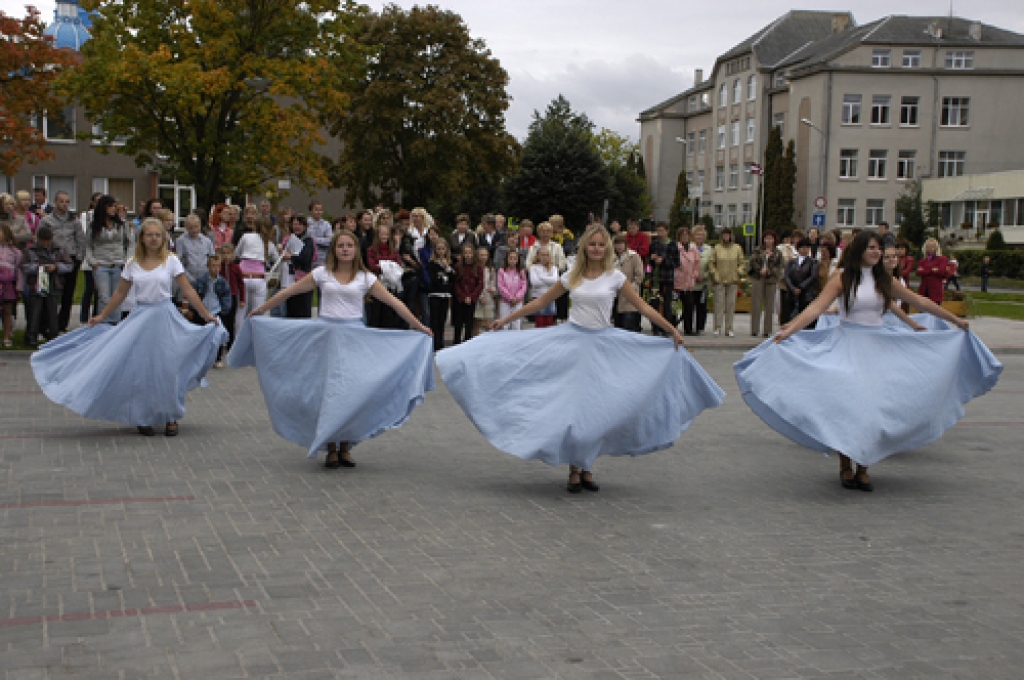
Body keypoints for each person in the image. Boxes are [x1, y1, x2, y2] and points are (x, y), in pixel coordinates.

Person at [436, 224, 725, 494]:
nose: (597, 249)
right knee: (574, 410)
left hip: (603, 348)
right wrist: (507, 319)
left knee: (596, 410)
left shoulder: (615, 277)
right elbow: (541, 301)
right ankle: (575, 469)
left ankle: (587, 467)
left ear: (606, 248)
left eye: (601, 244)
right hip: (571, 345)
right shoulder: (572, 275)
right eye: (592, 244)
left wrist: (671, 329)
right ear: (586, 247)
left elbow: (642, 307)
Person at [736, 231, 999, 492]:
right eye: (872, 248)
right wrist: (791, 329)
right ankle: (845, 465)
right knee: (851, 406)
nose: (877, 252)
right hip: (847, 345)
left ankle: (863, 466)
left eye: (879, 249)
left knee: (872, 408)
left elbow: (919, 300)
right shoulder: (843, 278)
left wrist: (955, 320)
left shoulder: (884, 279)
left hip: (877, 347)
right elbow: (816, 307)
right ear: (860, 250)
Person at [232, 229, 433, 468]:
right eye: (340, 246)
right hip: (325, 339)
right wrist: (262, 309)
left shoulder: (365, 278)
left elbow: (395, 303)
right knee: (327, 391)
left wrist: (419, 326)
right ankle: (330, 447)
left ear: (356, 250)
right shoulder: (321, 274)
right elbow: (289, 291)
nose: (345, 249)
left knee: (350, 393)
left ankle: (345, 446)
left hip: (354, 340)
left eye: (349, 245)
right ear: (334, 250)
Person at [32, 218, 226, 437]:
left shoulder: (171, 260)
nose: (154, 239)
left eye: (158, 235)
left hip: (165, 317)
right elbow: (120, 293)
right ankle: (144, 416)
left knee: (167, 368)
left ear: (163, 238)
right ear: (142, 238)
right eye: (149, 235)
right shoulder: (133, 263)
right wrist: (103, 315)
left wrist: (206, 315)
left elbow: (188, 290)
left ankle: (171, 415)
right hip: (141, 318)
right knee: (142, 370)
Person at [40, 191, 85, 334]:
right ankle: (46, 324)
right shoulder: (47, 221)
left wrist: (78, 258)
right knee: (49, 293)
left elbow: (80, 240)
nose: (64, 204)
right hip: (52, 258)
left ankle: (62, 324)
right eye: (61, 201)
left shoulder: (74, 221)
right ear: (55, 202)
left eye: (67, 202)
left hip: (70, 259)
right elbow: (40, 239)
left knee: (68, 294)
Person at [85, 195, 133, 324]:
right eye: (110, 206)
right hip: (101, 264)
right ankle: (103, 323)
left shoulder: (122, 224)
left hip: (118, 264)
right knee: (103, 296)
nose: (113, 209)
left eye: (114, 206)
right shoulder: (93, 226)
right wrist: (93, 262)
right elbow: (88, 246)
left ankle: (115, 324)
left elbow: (130, 243)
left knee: (117, 296)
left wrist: (127, 260)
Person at [21, 225, 73, 347]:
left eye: (48, 241)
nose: (45, 244)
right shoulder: (30, 250)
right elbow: (24, 266)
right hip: (36, 284)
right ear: (38, 239)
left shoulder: (60, 250)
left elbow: (69, 266)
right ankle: (31, 336)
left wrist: (56, 267)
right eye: (43, 241)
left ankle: (53, 335)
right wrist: (38, 268)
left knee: (52, 311)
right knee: (35, 311)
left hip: (54, 283)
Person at [234, 215, 279, 324]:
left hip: (243, 277)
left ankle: (238, 334)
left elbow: (237, 254)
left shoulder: (246, 236)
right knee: (258, 312)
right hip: (259, 278)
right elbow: (277, 260)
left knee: (241, 311)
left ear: (254, 225)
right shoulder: (269, 244)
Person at [747, 230, 783, 337]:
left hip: (771, 280)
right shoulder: (758, 250)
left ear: (774, 240)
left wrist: (769, 271)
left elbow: (779, 267)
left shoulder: (778, 252)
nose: (768, 241)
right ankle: (754, 329)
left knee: (769, 305)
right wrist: (760, 269)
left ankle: (767, 329)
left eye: (771, 239)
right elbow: (752, 262)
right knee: (756, 304)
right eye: (767, 238)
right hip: (758, 278)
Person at [709, 228, 744, 337]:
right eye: (724, 235)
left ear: (731, 236)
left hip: (732, 281)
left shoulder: (737, 248)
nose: (726, 237)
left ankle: (729, 328)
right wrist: (714, 274)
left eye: (728, 235)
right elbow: (711, 262)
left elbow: (742, 263)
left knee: (731, 305)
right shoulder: (717, 248)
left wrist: (738, 272)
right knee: (719, 304)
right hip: (719, 280)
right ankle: (717, 327)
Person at [647, 222, 680, 335]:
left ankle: (667, 328)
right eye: (658, 231)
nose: (659, 233)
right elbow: (649, 263)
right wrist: (651, 259)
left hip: (667, 279)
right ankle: (656, 327)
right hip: (655, 279)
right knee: (654, 304)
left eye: (661, 231)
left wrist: (664, 261)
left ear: (667, 231)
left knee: (666, 305)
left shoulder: (672, 244)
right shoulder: (654, 244)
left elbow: (676, 263)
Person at [282, 214, 315, 318]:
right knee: (291, 309)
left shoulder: (308, 240)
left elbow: (306, 258)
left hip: (303, 279)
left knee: (303, 309)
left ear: (304, 226)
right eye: (294, 224)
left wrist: (291, 257)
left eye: (299, 224)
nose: (297, 227)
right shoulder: (290, 240)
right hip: (290, 279)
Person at [78, 193, 103, 324]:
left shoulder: (107, 217)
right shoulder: (86, 216)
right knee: (89, 289)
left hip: (102, 259)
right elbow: (84, 234)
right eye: (97, 201)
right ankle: (84, 317)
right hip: (89, 258)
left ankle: (96, 316)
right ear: (93, 203)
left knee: (100, 291)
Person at [452, 243, 483, 344]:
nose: (468, 255)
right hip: (460, 300)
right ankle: (456, 343)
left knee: (469, 324)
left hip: (471, 300)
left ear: (473, 254)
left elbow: (480, 284)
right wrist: (463, 296)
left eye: (470, 253)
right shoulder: (458, 267)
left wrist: (472, 297)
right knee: (458, 323)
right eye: (466, 253)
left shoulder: (478, 268)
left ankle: (467, 343)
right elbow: (456, 284)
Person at [612, 234, 644, 332]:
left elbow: (639, 274)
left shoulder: (633, 256)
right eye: (616, 244)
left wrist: (632, 287)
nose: (619, 246)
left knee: (629, 323)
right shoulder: (611, 258)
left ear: (625, 245)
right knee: (618, 324)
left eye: (621, 244)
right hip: (616, 295)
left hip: (630, 294)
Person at [784, 238, 819, 328]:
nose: (804, 250)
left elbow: (813, 276)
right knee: (790, 317)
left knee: (805, 318)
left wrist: (801, 287)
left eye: (807, 248)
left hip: (806, 294)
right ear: (798, 249)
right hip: (792, 294)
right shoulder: (791, 262)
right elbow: (787, 276)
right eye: (802, 248)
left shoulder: (813, 262)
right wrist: (792, 288)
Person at [426, 240, 454, 350]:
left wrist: (447, 267)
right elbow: (434, 280)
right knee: (434, 321)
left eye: (443, 249)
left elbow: (453, 278)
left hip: (445, 295)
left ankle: (440, 344)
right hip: (435, 294)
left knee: (442, 320)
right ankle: (434, 344)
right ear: (435, 250)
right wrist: (443, 279)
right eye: (439, 249)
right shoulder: (432, 264)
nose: (441, 251)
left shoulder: (450, 263)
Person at [176, 213, 216, 285]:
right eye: (190, 228)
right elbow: (178, 262)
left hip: (205, 278)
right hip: (188, 279)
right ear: (186, 228)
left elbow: (212, 259)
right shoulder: (180, 241)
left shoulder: (207, 241)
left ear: (200, 225)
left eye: (196, 226)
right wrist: (189, 279)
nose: (194, 230)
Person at [0, 223, 22, 347]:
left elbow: (19, 269)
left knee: (8, 311)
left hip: (8, 285)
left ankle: (7, 336)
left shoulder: (15, 251)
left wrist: (19, 286)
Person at [496, 248, 527, 330]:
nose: (512, 260)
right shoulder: (502, 271)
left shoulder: (521, 271)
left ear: (518, 260)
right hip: (505, 302)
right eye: (510, 258)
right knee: (504, 324)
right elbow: (501, 286)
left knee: (516, 324)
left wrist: (517, 297)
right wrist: (510, 298)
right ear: (507, 259)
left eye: (515, 258)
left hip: (517, 302)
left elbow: (523, 286)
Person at [528, 247, 558, 329]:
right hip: (538, 298)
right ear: (538, 256)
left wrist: (541, 277)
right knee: (540, 322)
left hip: (550, 298)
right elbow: (535, 282)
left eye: (547, 255)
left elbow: (555, 280)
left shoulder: (553, 268)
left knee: (549, 323)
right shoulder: (533, 268)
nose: (545, 257)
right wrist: (548, 280)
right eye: (543, 255)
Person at [472, 247, 496, 336]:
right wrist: (480, 297)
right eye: (481, 255)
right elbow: (475, 285)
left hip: (488, 298)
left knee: (488, 323)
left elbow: (492, 283)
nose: (484, 257)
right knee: (477, 323)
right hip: (478, 298)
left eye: (485, 255)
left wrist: (492, 289)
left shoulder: (490, 269)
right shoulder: (475, 269)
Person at [916, 238, 948, 305]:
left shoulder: (942, 259)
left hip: (935, 290)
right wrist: (932, 269)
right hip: (924, 289)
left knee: (935, 309)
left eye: (932, 246)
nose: (930, 248)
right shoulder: (923, 260)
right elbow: (918, 272)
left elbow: (941, 271)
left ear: (936, 248)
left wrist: (925, 269)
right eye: (928, 246)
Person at [692, 226, 711, 334]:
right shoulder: (690, 247)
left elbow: (712, 265)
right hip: (691, 282)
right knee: (690, 305)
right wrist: (694, 275)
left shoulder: (709, 249)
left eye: (701, 235)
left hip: (703, 282)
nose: (699, 237)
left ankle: (700, 327)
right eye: (697, 234)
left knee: (702, 306)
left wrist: (705, 276)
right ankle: (689, 327)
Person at [307, 201, 331, 268]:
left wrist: (314, 240)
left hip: (323, 258)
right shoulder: (305, 223)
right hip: (308, 258)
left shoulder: (326, 224)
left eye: (320, 210)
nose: (319, 212)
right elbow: (306, 240)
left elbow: (329, 241)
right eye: (316, 210)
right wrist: (322, 239)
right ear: (310, 211)